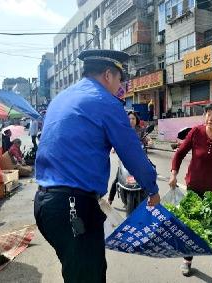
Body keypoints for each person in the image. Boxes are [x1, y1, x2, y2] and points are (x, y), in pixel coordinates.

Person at [34, 49, 160, 283]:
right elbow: (132, 151)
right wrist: (152, 189)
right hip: (72, 207)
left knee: (78, 271)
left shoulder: (61, 97)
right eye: (120, 80)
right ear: (108, 75)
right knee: (88, 276)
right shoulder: (105, 102)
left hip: (45, 203)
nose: (120, 87)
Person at [168, 102, 212, 282]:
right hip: (194, 187)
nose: (209, 118)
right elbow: (180, 152)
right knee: (191, 225)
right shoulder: (196, 132)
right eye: (207, 114)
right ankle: (187, 260)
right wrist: (174, 173)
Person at [108, 111, 149, 205]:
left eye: (133, 119)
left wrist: (149, 141)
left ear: (136, 120)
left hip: (140, 158)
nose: (131, 120)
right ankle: (110, 198)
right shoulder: (122, 130)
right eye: (129, 119)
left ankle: (151, 198)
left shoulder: (141, 130)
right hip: (125, 158)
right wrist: (114, 147)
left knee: (149, 175)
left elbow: (146, 138)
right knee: (118, 177)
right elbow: (116, 140)